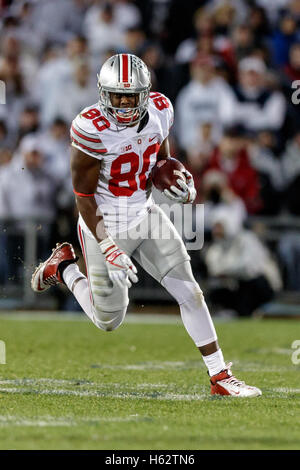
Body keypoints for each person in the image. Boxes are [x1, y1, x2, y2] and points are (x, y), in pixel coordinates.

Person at [31, 53, 261, 397]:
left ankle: (220, 377)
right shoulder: (90, 128)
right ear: (102, 93)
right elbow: (83, 195)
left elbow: (161, 161)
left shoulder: (161, 109)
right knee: (109, 320)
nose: (123, 103)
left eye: (130, 96)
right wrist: (108, 245)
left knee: (190, 290)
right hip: (103, 223)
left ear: (146, 93)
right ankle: (64, 266)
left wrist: (179, 181)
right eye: (116, 95)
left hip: (146, 214)